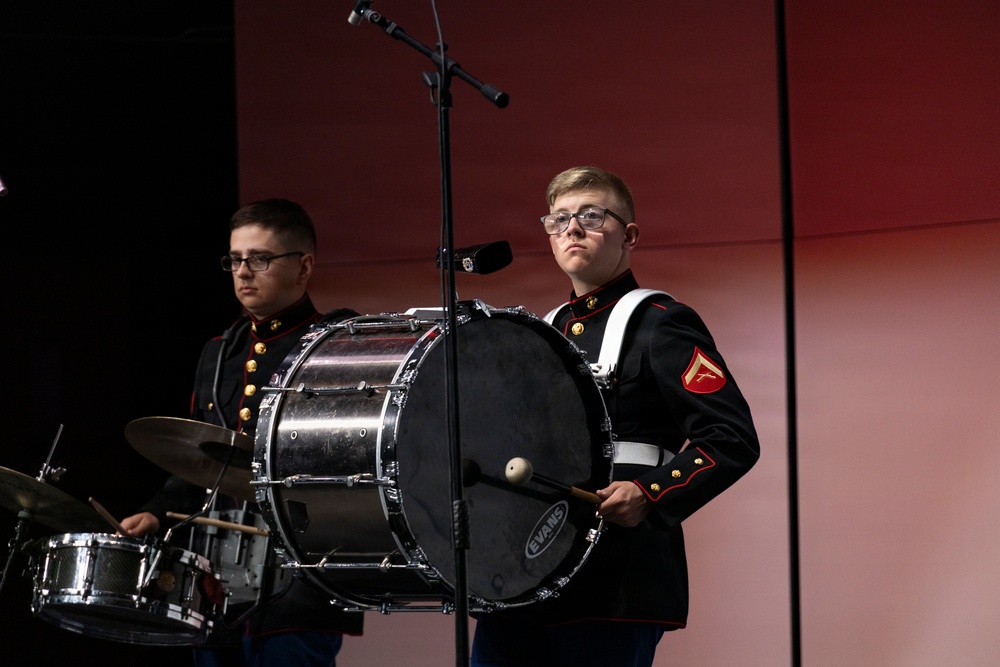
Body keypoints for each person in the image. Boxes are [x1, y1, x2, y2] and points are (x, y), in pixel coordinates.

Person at [469, 166, 760, 666]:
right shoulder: (540, 333)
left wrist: (650, 492)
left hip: (615, 578)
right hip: (523, 577)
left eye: (590, 215)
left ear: (629, 236)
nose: (572, 229)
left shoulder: (662, 324)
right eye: (558, 219)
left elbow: (731, 437)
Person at [121, 198, 364, 666]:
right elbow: (200, 457)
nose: (243, 272)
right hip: (217, 582)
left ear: (304, 266)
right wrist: (156, 513)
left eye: (260, 258)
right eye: (235, 259)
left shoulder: (335, 341)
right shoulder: (220, 351)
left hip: (299, 577)